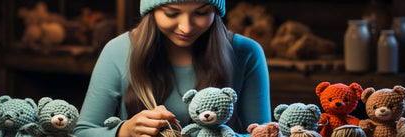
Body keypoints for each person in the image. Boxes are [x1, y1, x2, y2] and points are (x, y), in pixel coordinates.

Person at [74, 0, 271, 136]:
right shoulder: (118, 51)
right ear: (152, 10)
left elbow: (266, 133)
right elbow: (83, 131)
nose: (186, 27)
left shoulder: (246, 52)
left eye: (201, 12)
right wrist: (125, 131)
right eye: (171, 13)